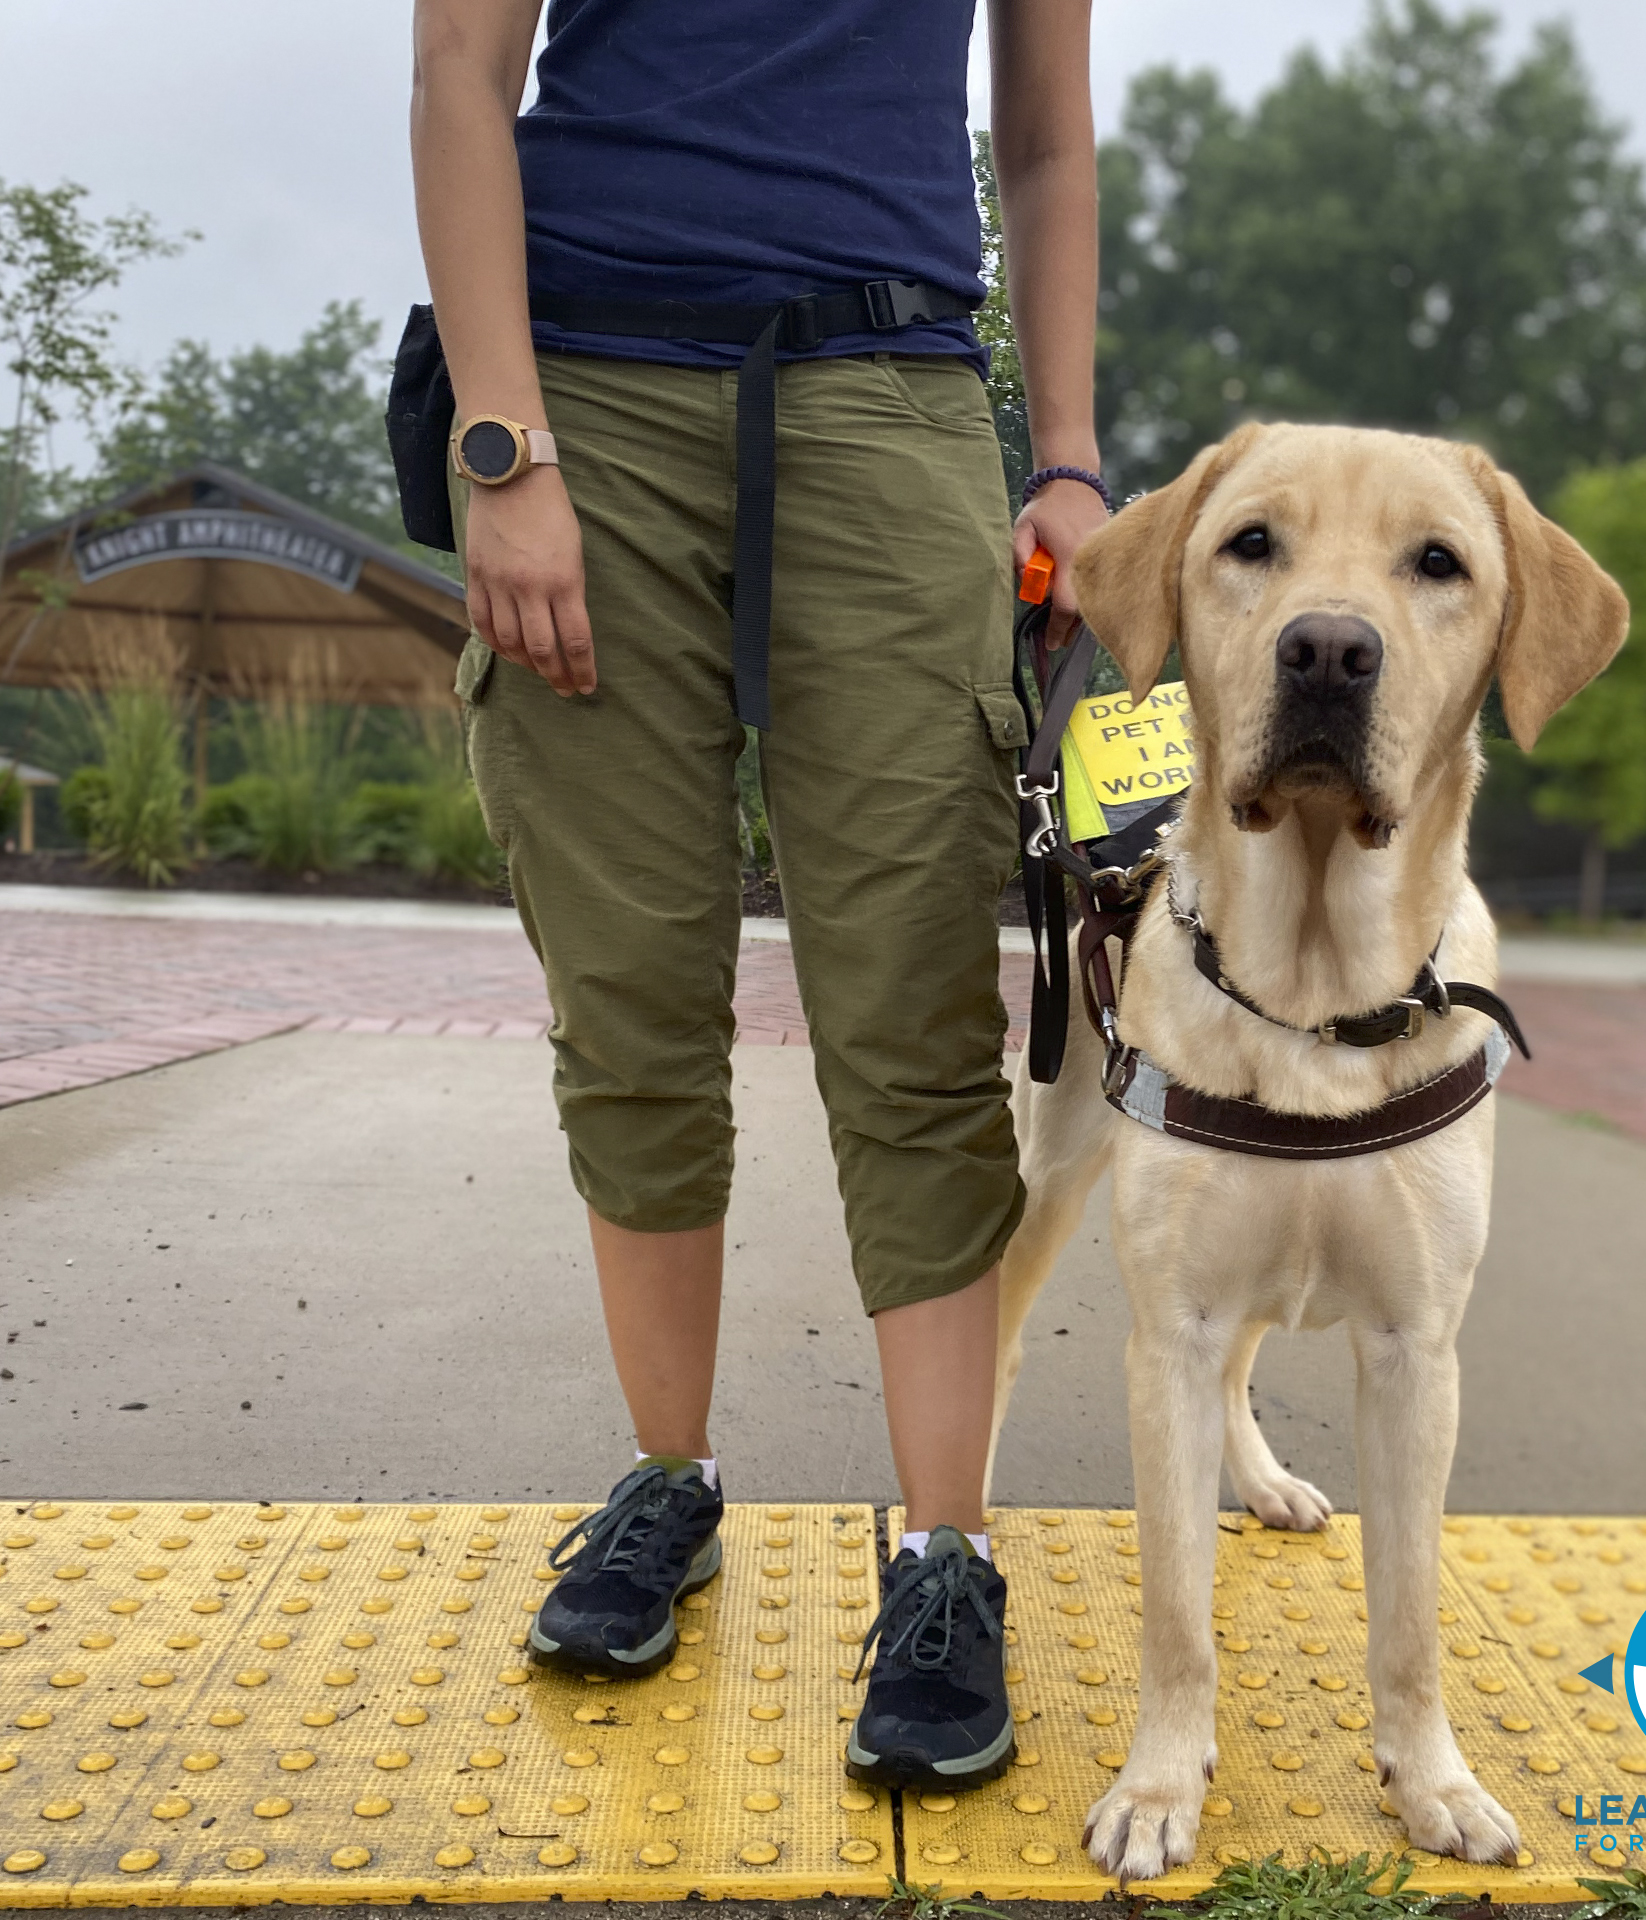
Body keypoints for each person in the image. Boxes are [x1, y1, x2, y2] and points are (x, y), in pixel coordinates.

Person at [409, 0, 1104, 1788]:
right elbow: (461, 76)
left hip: (892, 401)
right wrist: (503, 448)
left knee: (913, 1009)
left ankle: (944, 1558)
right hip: (586, 400)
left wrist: (1071, 459)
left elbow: (1039, 139)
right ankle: (667, 1481)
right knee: (632, 988)